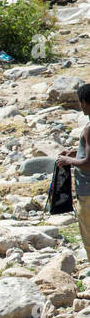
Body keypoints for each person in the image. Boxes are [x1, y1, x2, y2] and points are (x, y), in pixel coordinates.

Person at [56, 82, 90, 260]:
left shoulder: (89, 129)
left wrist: (67, 160)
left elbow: (88, 163)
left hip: (87, 192)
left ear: (85, 102)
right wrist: (74, 152)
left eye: (80, 102)